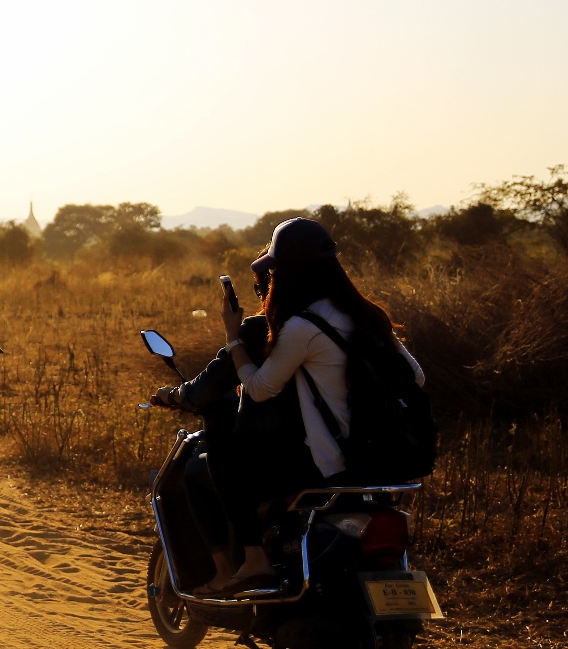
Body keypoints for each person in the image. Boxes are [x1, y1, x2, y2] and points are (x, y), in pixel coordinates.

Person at [157, 217, 424, 595]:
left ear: (283, 273)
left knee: (219, 452)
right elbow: (416, 378)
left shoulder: (300, 327)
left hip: (326, 461)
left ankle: (253, 561)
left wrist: (232, 338)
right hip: (376, 458)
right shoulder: (367, 316)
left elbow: (261, 388)